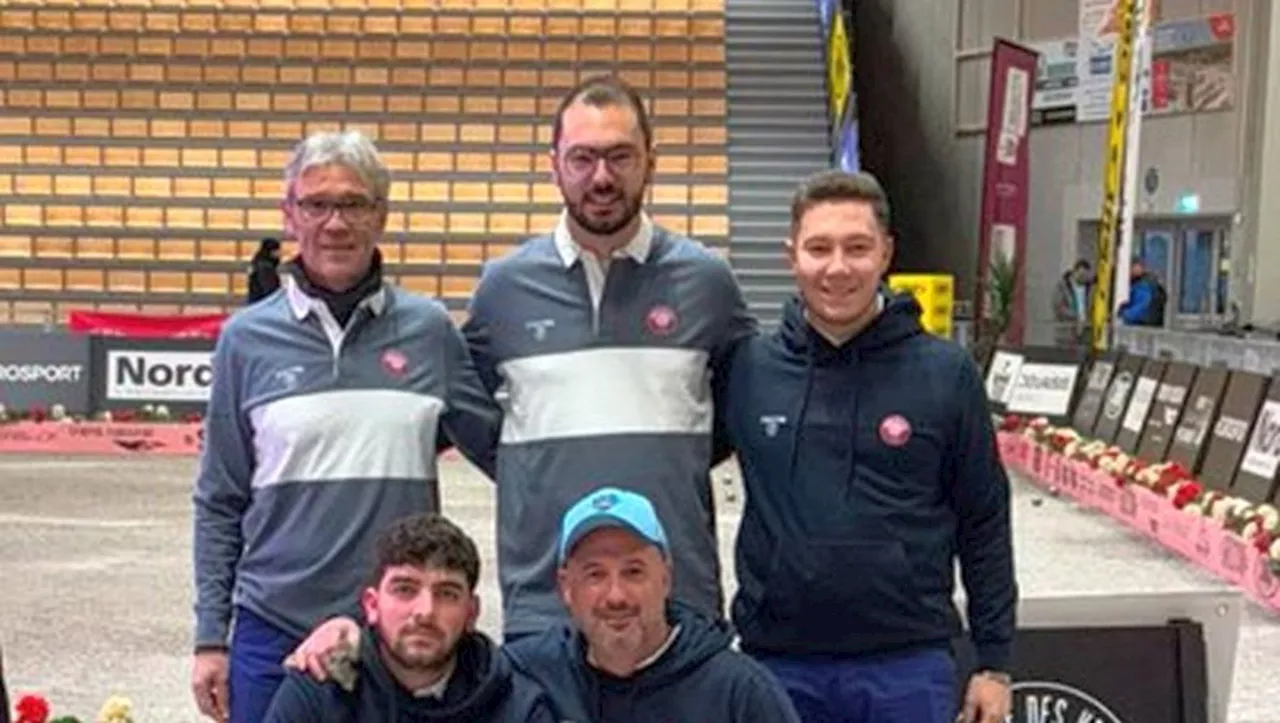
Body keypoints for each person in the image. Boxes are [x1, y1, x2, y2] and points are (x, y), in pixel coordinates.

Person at [191, 131, 502, 723]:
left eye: (354, 204)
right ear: (290, 214)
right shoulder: (245, 341)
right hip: (272, 630)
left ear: (381, 214)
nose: (335, 222)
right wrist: (211, 638)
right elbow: (220, 499)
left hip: (397, 641)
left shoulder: (431, 332)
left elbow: (509, 457)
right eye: (316, 204)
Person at [457, 73, 755, 639]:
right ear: (554, 165)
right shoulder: (503, 288)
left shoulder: (707, 283)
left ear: (651, 160)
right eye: (583, 158)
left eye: (620, 156)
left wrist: (675, 457)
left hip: (679, 603)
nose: (601, 177)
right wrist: (530, 470)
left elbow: (742, 408)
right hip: (546, 608)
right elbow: (470, 416)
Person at [721, 170, 1016, 723]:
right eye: (819, 248)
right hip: (775, 663)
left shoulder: (946, 373)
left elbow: (985, 520)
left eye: (857, 247)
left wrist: (994, 662)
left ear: (886, 253)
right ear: (792, 256)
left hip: (907, 666)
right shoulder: (750, 369)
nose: (837, 267)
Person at [503, 486, 801, 722]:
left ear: (666, 578)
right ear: (566, 587)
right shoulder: (530, 676)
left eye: (634, 572)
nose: (616, 596)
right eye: (595, 575)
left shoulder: (738, 692)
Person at [262, 514, 555, 722]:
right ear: (372, 606)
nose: (425, 611)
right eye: (405, 589)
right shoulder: (320, 690)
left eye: (447, 593)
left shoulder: (516, 704)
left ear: (471, 613)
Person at [1053, 259, 1092, 348]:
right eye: (1081, 275)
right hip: (1066, 332)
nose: (1083, 278)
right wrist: (1075, 316)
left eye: (1086, 276)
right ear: (1075, 272)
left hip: (1084, 332)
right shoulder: (1062, 287)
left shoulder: (1089, 288)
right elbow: (1059, 307)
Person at [1117, 259, 1167, 327]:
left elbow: (1140, 310)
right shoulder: (1138, 284)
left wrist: (1122, 315)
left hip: (1143, 326)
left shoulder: (1144, 285)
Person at [247, 237, 282, 304]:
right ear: (271, 251)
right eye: (277, 251)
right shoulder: (266, 267)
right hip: (263, 303)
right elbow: (270, 289)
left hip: (255, 302)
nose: (279, 253)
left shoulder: (257, 263)